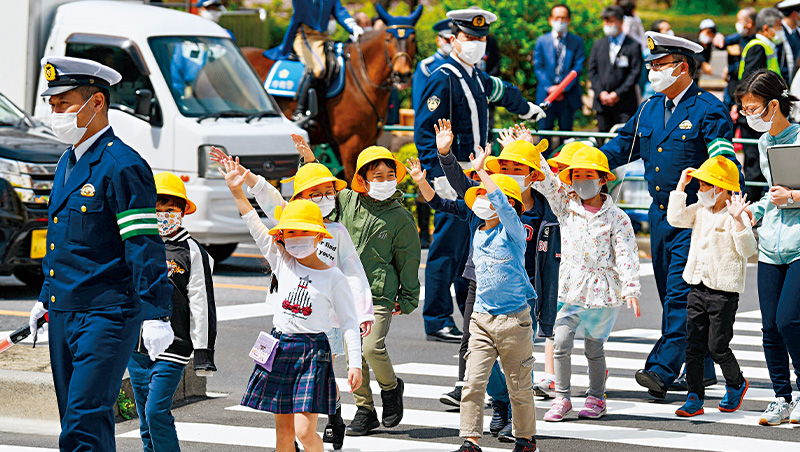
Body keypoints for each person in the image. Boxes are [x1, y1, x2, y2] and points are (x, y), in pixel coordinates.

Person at [28, 56, 173, 452]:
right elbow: (64, 242)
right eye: (52, 106)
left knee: (83, 423)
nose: (55, 114)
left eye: (64, 104)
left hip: (106, 314)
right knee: (78, 420)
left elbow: (143, 244)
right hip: (64, 311)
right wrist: (46, 298)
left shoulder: (122, 165)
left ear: (96, 104)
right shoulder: (67, 161)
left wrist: (157, 313)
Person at [600, 32, 739, 399]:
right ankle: (702, 367)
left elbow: (724, 163)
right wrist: (587, 165)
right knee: (670, 294)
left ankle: (661, 370)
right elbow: (619, 148)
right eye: (652, 65)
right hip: (660, 216)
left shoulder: (707, 109)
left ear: (681, 67)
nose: (652, 71)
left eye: (659, 65)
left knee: (679, 296)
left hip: (694, 217)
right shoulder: (649, 108)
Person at [210, 144, 375, 449]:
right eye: (290, 233)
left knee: (303, 431)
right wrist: (237, 190)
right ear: (283, 235)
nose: (295, 239)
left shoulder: (333, 276)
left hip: (313, 351)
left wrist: (354, 364)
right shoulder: (281, 259)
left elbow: (350, 323)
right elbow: (254, 222)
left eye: (304, 233)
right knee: (283, 434)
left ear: (319, 235)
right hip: (280, 346)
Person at [414, 7, 545, 344]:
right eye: (468, 38)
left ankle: (468, 314)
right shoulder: (443, 77)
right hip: (451, 173)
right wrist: (437, 174)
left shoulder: (475, 77)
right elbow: (426, 132)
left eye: (480, 39)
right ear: (453, 39)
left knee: (469, 251)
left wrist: (528, 109)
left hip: (477, 175)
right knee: (446, 250)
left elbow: (504, 92)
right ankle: (437, 318)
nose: (474, 43)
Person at [292, 142, 421, 436]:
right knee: (354, 357)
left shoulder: (400, 217)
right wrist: (308, 161)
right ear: (362, 179)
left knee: (371, 346)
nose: (385, 181)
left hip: (378, 294)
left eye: (390, 175)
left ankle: (390, 388)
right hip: (344, 293)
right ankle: (365, 410)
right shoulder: (346, 201)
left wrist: (409, 296)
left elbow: (409, 260)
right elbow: (315, 193)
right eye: (378, 175)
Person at [531, 147, 641, 421]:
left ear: (603, 179)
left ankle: (595, 397)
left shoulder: (618, 218)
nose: (581, 180)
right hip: (570, 286)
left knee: (594, 347)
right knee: (561, 341)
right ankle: (562, 397)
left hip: (603, 291)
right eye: (576, 175)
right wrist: (534, 154)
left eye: (588, 175)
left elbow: (626, 252)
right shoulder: (565, 207)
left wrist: (631, 288)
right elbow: (549, 184)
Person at [451, 145, 539, 452]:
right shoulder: (478, 231)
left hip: (515, 320)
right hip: (482, 320)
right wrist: (472, 173)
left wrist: (484, 172)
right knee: (473, 384)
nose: (483, 200)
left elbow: (503, 206)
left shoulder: (513, 231)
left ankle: (525, 439)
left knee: (519, 388)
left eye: (487, 195)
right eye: (481, 196)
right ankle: (470, 440)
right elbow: (464, 188)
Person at [127, 172, 218, 452]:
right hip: (136, 346)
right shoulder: (137, 244)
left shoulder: (192, 252)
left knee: (156, 411)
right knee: (144, 417)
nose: (163, 215)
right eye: (156, 209)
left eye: (170, 209)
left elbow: (202, 303)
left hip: (174, 346)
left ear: (182, 211)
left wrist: (203, 352)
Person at [666, 155, 756, 417]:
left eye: (705, 185)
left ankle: (736, 383)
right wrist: (680, 187)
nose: (700, 189)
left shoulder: (734, 214)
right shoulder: (701, 210)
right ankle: (694, 396)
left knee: (717, 346)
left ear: (722, 188)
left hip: (724, 292)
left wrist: (740, 220)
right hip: (697, 285)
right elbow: (676, 218)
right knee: (693, 344)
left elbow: (748, 249)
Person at [734, 69, 800, 425]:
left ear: (774, 105)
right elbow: (771, 194)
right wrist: (753, 209)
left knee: (789, 320)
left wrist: (794, 196)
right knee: (769, 327)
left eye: (754, 108)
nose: (749, 116)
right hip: (771, 246)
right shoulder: (763, 144)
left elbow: (787, 194)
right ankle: (781, 397)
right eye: (744, 110)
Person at [533, 141, 587, 399]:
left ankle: (595, 372)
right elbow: (545, 182)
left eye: (570, 170)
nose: (563, 176)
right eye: (562, 170)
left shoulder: (597, 206)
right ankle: (551, 376)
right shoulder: (559, 200)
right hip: (561, 272)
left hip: (589, 279)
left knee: (590, 333)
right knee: (553, 325)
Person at [264, 0, 364, 123]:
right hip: (305, 36)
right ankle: (299, 111)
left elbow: (340, 11)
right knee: (318, 69)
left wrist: (353, 27)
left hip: (323, 37)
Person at [735, 7, 785, 203]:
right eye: (778, 27)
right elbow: (750, 82)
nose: (779, 31)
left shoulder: (765, 45)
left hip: (766, 110)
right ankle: (753, 204)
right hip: (757, 113)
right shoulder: (758, 46)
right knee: (755, 163)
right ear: (766, 27)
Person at [588, 5, 643, 133]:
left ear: (621, 22)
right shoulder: (598, 44)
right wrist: (601, 92)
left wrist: (618, 94)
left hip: (624, 103)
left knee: (624, 139)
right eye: (606, 21)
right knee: (603, 138)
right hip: (602, 104)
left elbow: (635, 73)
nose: (608, 24)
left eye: (611, 21)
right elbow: (592, 71)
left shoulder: (633, 45)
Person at [534, 4, 586, 138]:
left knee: (566, 135)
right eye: (557, 18)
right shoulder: (541, 41)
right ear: (550, 20)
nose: (560, 21)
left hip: (568, 96)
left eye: (563, 18)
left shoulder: (577, 42)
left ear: (569, 20)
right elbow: (538, 67)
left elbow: (578, 67)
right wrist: (552, 88)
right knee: (544, 134)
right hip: (547, 94)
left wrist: (562, 89)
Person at [412, 19, 453, 112]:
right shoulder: (426, 66)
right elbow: (419, 100)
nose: (450, 44)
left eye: (452, 40)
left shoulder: (462, 65)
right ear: (438, 40)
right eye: (447, 40)